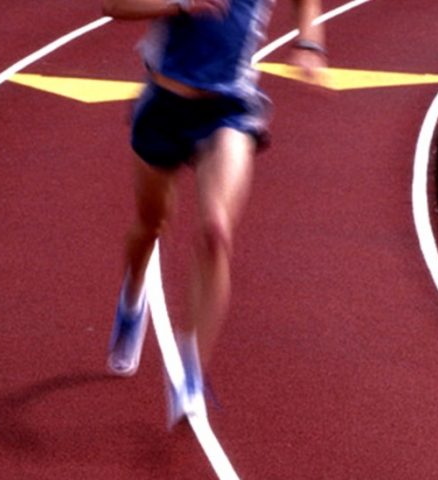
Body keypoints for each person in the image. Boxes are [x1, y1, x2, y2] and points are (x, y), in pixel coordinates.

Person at [100, 0, 327, 426]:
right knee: (151, 224)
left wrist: (310, 44)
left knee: (216, 230)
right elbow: (113, 6)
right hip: (164, 105)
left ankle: (191, 375)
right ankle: (133, 295)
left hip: (229, 109)